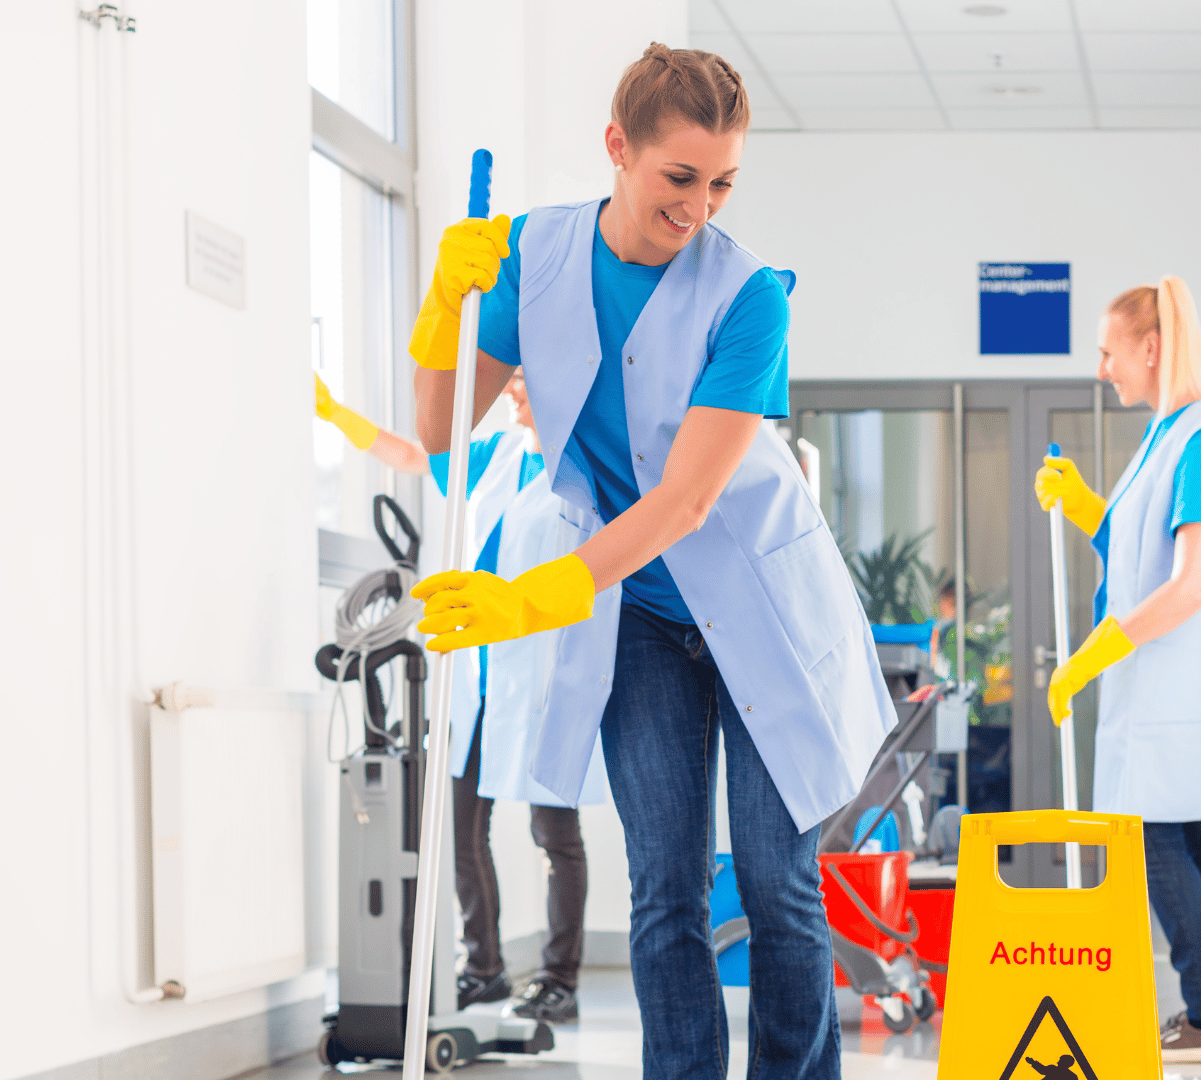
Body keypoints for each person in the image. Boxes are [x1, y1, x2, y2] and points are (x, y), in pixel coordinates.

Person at [403, 43, 895, 1080]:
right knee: (666, 887)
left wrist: (534, 596)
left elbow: (688, 497)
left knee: (776, 883)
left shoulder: (750, 294)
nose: (701, 207)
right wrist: (441, 309)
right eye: (681, 177)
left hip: (763, 607)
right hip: (637, 619)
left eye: (722, 183)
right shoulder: (529, 261)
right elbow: (439, 431)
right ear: (618, 149)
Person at [315, 371, 604, 1022]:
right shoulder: (498, 454)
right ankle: (485, 968)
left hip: (542, 672)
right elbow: (414, 455)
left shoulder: (583, 463)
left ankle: (560, 979)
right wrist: (336, 415)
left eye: (527, 381)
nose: (512, 392)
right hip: (477, 674)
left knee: (553, 830)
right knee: (462, 826)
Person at [1034, 277, 1201, 1063]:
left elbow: (1191, 579)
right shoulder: (1168, 434)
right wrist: (1087, 503)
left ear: (1151, 349)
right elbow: (1137, 552)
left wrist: (1093, 655)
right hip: (1164, 690)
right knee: (1197, 842)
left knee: (1162, 847)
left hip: (1174, 689)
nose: (1102, 369)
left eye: (1108, 352)